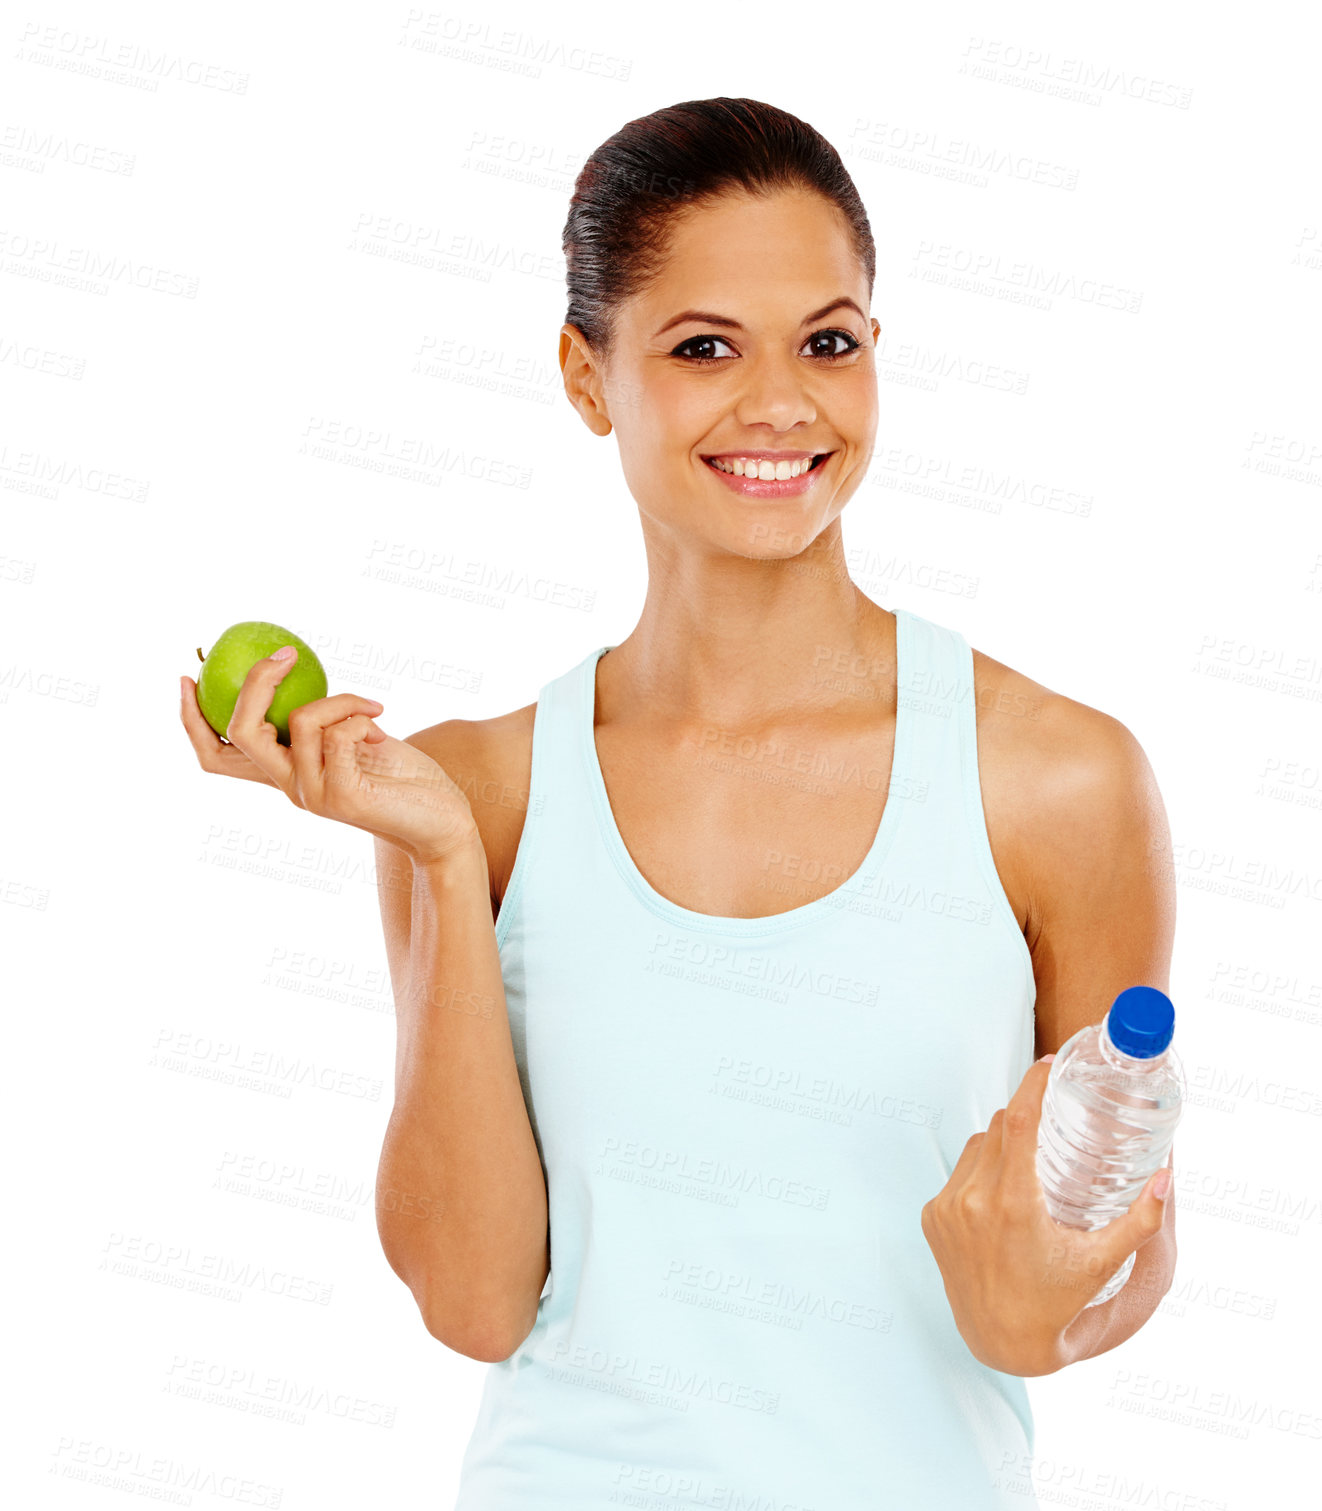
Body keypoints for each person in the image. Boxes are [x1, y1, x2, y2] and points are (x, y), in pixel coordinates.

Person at [181, 97, 1178, 1510]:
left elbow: (1131, 1239)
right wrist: (449, 864)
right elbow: (473, 1302)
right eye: (703, 346)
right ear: (587, 377)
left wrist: (1050, 1313)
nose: (778, 404)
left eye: (825, 342)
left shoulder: (1057, 777)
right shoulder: (479, 788)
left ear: (874, 356)